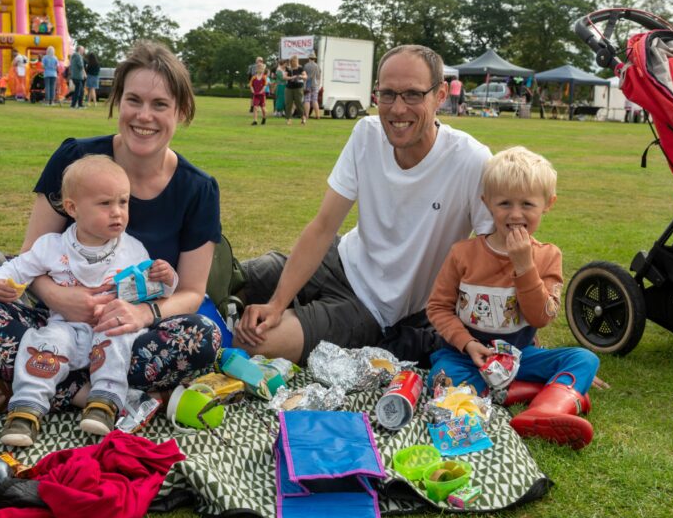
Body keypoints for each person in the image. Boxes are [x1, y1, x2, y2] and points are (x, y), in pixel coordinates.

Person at [0, 40, 222, 415]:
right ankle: (93, 395)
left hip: (130, 334)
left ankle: (36, 383)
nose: (144, 116)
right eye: (134, 100)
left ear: (181, 111)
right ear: (117, 100)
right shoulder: (75, 158)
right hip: (54, 326)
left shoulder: (197, 189)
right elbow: (31, 254)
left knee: (203, 337)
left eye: (160, 105)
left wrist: (141, 315)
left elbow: (191, 291)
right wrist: (58, 297)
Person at [236, 44, 493, 366]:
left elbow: (493, 254)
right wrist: (277, 303)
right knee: (229, 277)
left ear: (440, 95)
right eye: (387, 94)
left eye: (412, 95)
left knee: (253, 343)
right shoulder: (367, 133)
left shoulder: (471, 161)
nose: (397, 109)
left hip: (375, 308)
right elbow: (323, 226)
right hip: (338, 259)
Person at [0, 155, 179, 446]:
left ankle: (103, 404)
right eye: (105, 204)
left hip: (112, 330)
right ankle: (25, 410)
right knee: (41, 343)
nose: (117, 213)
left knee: (119, 340)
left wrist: (165, 278)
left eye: (123, 202)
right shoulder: (52, 246)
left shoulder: (133, 249)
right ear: (72, 208)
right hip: (66, 328)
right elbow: (17, 267)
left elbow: (152, 290)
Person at [426, 147, 599, 449]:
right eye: (504, 203)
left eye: (527, 204)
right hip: (465, 356)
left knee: (584, 359)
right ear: (487, 203)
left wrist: (524, 266)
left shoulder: (547, 256)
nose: (515, 214)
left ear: (548, 204)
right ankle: (530, 393)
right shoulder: (463, 254)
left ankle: (546, 410)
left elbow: (540, 317)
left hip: (520, 356)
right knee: (441, 380)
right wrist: (467, 343)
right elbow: (438, 307)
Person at [284, 55, 307, 125]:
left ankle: (303, 117)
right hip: (289, 88)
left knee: (299, 103)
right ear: (291, 62)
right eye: (293, 61)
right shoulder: (288, 69)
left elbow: (305, 77)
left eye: (296, 61)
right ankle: (288, 119)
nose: (295, 62)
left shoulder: (300, 68)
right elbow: (284, 77)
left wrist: (300, 76)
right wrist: (291, 77)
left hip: (298, 88)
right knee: (288, 103)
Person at [302, 52, 321, 120]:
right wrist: (318, 84)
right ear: (314, 59)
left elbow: (304, 76)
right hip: (315, 84)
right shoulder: (317, 66)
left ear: (309, 58)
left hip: (308, 84)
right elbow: (319, 77)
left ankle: (306, 115)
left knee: (307, 100)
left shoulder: (306, 66)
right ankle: (317, 115)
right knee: (315, 100)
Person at [69, 45, 85, 109]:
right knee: (77, 91)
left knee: (81, 91)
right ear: (79, 50)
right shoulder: (78, 56)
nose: (83, 51)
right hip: (78, 76)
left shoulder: (73, 56)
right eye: (82, 50)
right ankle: (73, 105)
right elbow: (81, 65)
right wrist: (83, 73)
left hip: (74, 75)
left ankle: (80, 105)